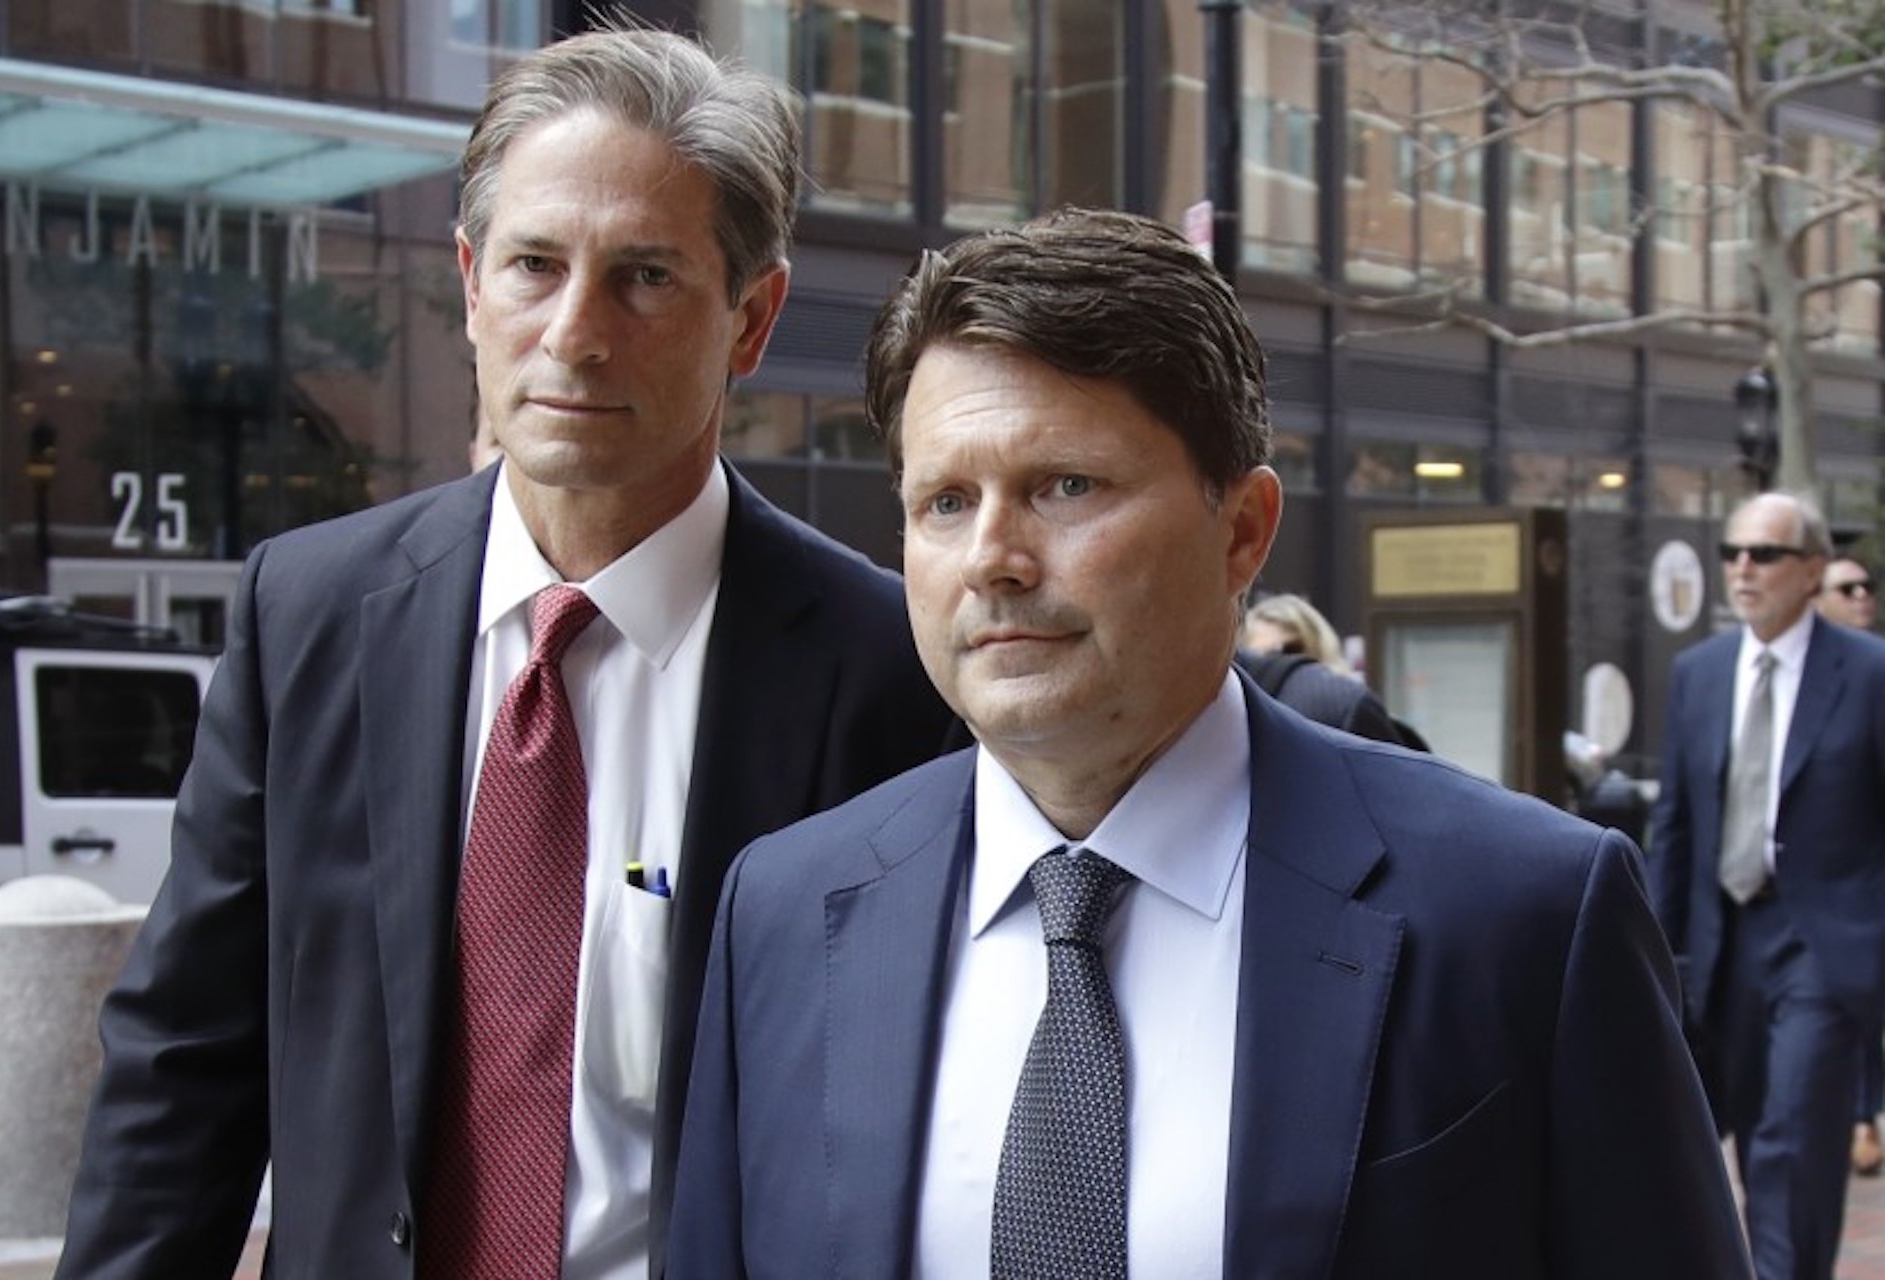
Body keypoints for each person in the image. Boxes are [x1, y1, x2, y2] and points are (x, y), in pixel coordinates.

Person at [669, 208, 1750, 1278]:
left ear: (1241, 530)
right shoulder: (783, 909)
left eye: (1065, 485)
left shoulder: (1523, 912)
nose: (992, 556)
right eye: (946, 500)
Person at [56, 27, 949, 1280]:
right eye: (536, 264)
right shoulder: (306, 612)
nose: (576, 333)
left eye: (645, 277)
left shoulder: (886, 670)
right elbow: (183, 1069)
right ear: (471, 281)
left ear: (752, 318)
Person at [1649, 493, 1885, 1279]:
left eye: (1764, 554)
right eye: (1731, 553)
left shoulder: (1868, 673)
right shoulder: (1700, 674)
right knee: (1728, 1133)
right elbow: (1677, 825)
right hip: (1719, 943)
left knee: (1789, 1143)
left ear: (1813, 569)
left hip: (1822, 946)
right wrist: (1656, 947)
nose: (1742, 569)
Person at [1815, 555, 1884, 1176]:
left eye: (1867, 587)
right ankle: (1860, 1118)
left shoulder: (1873, 672)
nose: (1862, 596)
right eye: (1847, 588)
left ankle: (1865, 1116)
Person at [1237, 592, 1408, 745]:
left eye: (1292, 650)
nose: (1280, 662)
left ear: (1321, 647)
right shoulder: (1240, 723)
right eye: (1265, 656)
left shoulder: (1350, 707)